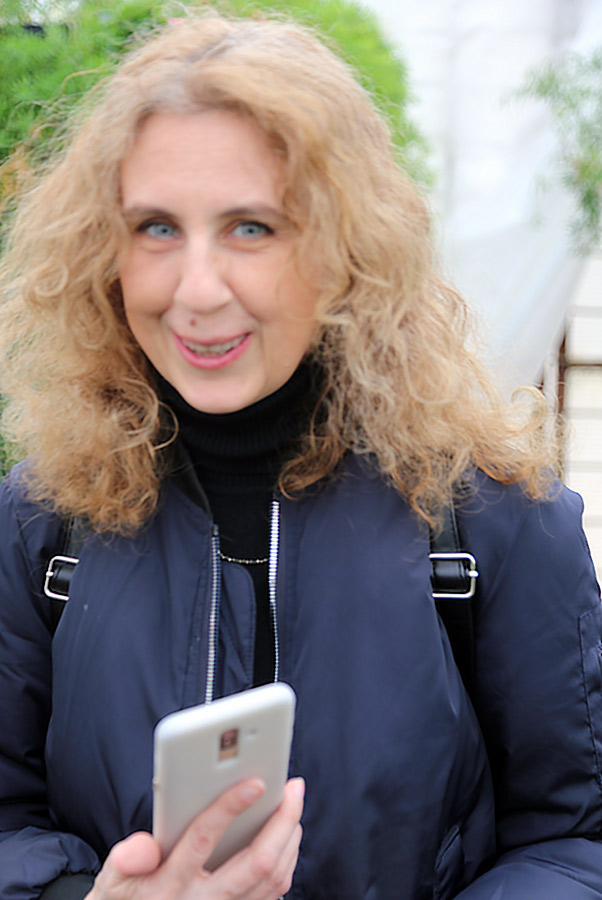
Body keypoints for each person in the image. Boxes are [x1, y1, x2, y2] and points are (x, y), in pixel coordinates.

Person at [0, 10, 601, 900]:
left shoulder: (492, 512)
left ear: (344, 246)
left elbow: (574, 839)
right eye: (156, 227)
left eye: (252, 228)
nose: (198, 289)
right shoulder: (43, 518)